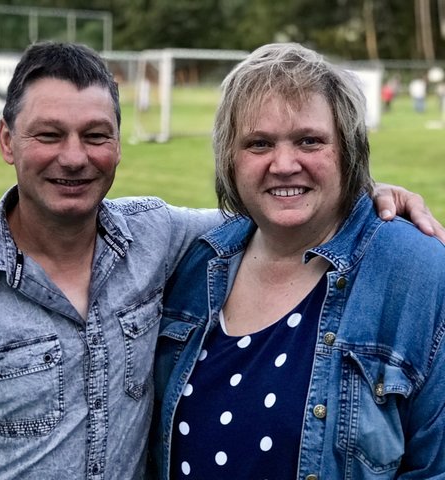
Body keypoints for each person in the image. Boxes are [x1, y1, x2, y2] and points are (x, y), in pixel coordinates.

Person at [0, 42, 443, 480]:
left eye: (95, 135)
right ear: (7, 141)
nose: (73, 157)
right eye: (48, 134)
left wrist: (366, 195)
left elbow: (278, 207)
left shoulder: (159, 236)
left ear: (119, 144)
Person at [151, 43, 445, 480]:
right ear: (230, 159)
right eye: (259, 143)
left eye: (309, 141)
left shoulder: (418, 271)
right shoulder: (198, 262)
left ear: (348, 150)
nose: (284, 164)